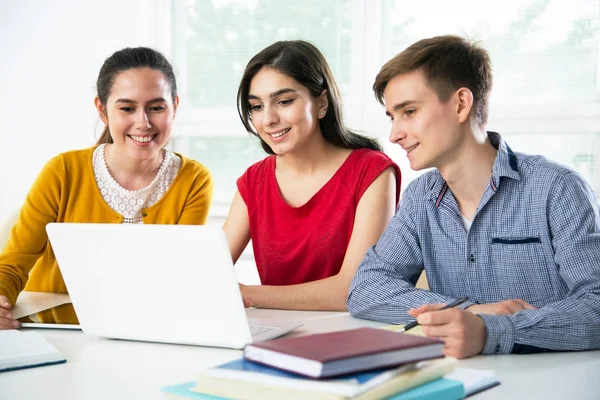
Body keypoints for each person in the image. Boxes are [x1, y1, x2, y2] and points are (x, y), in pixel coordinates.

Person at [347, 35, 600, 358]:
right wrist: (468, 311)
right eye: (392, 117)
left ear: (461, 104)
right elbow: (365, 288)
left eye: (409, 111)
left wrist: (490, 331)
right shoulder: (420, 198)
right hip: (460, 381)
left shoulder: (557, 188)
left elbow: (596, 304)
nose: (395, 134)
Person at [0, 47, 213, 329]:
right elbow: (14, 263)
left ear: (174, 106)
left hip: (143, 328)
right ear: (102, 110)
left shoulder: (194, 180)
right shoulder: (62, 171)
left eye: (156, 107)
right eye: (127, 108)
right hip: (55, 330)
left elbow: (175, 273)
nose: (144, 122)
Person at [224, 40, 401, 311]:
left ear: (321, 103)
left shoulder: (371, 171)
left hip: (350, 337)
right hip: (277, 337)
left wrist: (247, 294)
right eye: (256, 106)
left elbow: (352, 289)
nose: (268, 119)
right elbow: (211, 270)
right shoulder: (254, 181)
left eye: (283, 101)